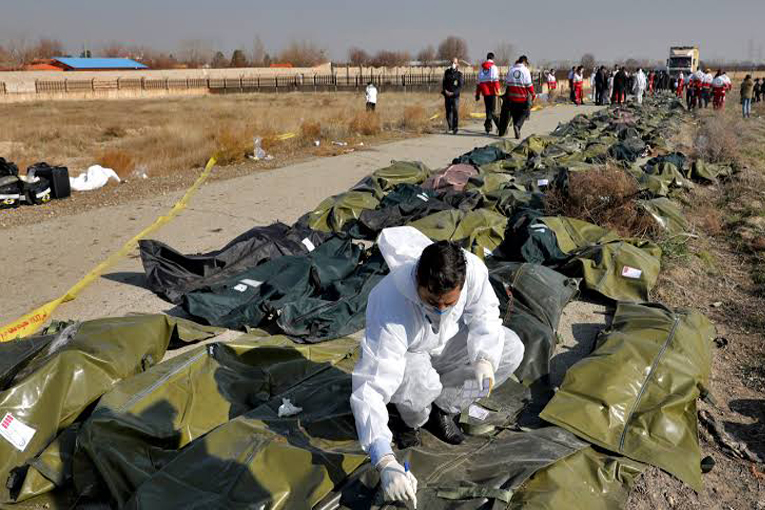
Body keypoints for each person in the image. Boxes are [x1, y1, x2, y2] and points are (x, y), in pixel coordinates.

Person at [350, 227, 525, 506]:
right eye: (432, 302)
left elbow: (486, 315)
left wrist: (484, 358)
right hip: (410, 356)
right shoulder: (390, 303)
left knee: (511, 348)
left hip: (446, 344)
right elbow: (371, 384)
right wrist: (383, 459)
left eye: (450, 303)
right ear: (418, 282)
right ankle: (412, 418)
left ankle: (445, 408)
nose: (441, 309)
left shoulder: (473, 272)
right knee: (420, 392)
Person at [499, 55, 537, 139]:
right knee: (525, 112)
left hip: (511, 98)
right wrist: (533, 94)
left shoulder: (511, 70)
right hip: (521, 98)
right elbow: (529, 86)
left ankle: (517, 129)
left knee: (515, 114)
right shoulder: (525, 71)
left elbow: (507, 84)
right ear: (524, 62)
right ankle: (517, 126)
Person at [475, 52, 501, 134]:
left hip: (485, 92)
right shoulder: (493, 68)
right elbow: (495, 81)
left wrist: (477, 94)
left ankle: (488, 126)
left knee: (488, 109)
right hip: (492, 92)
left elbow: (478, 83)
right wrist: (498, 91)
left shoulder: (481, 69)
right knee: (494, 110)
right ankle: (500, 127)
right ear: (493, 58)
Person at [442, 58, 464, 134]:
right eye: (452, 62)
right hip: (447, 95)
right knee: (448, 111)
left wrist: (453, 93)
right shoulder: (446, 72)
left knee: (455, 111)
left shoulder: (459, 74)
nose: (453, 64)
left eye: (454, 63)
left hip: (455, 96)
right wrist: (445, 91)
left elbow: (460, 86)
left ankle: (455, 127)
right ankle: (450, 126)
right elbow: (444, 83)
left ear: (457, 64)